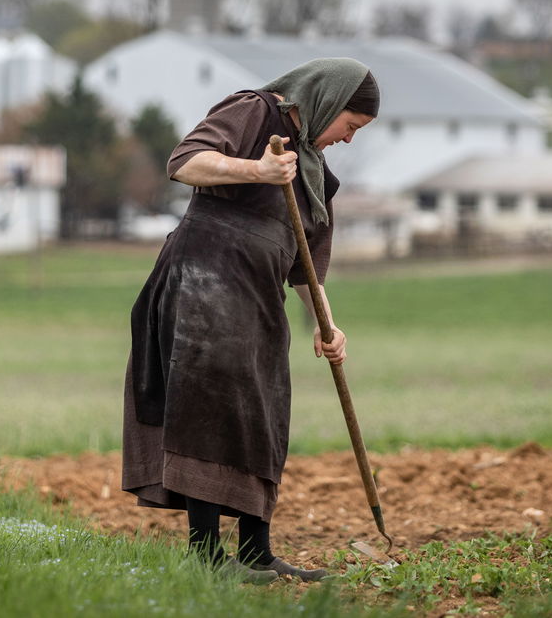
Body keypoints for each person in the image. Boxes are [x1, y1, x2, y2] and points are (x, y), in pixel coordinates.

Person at [122, 58, 379, 583]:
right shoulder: (255, 113)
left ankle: (257, 552)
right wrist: (256, 170)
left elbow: (307, 267)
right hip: (203, 281)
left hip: (258, 299)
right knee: (209, 407)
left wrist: (326, 326)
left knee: (264, 410)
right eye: (349, 126)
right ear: (327, 101)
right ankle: (207, 556)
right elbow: (185, 160)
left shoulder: (315, 177)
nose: (348, 140)